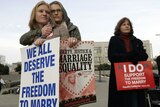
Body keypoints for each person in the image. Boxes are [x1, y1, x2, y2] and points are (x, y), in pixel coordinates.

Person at [108, 17, 148, 107]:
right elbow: (112, 57)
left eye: (128, 24)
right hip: (120, 79)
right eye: (124, 24)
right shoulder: (114, 39)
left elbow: (144, 56)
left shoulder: (137, 41)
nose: (126, 26)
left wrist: (136, 56)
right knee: (121, 102)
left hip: (135, 79)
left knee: (136, 102)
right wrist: (127, 57)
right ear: (119, 27)